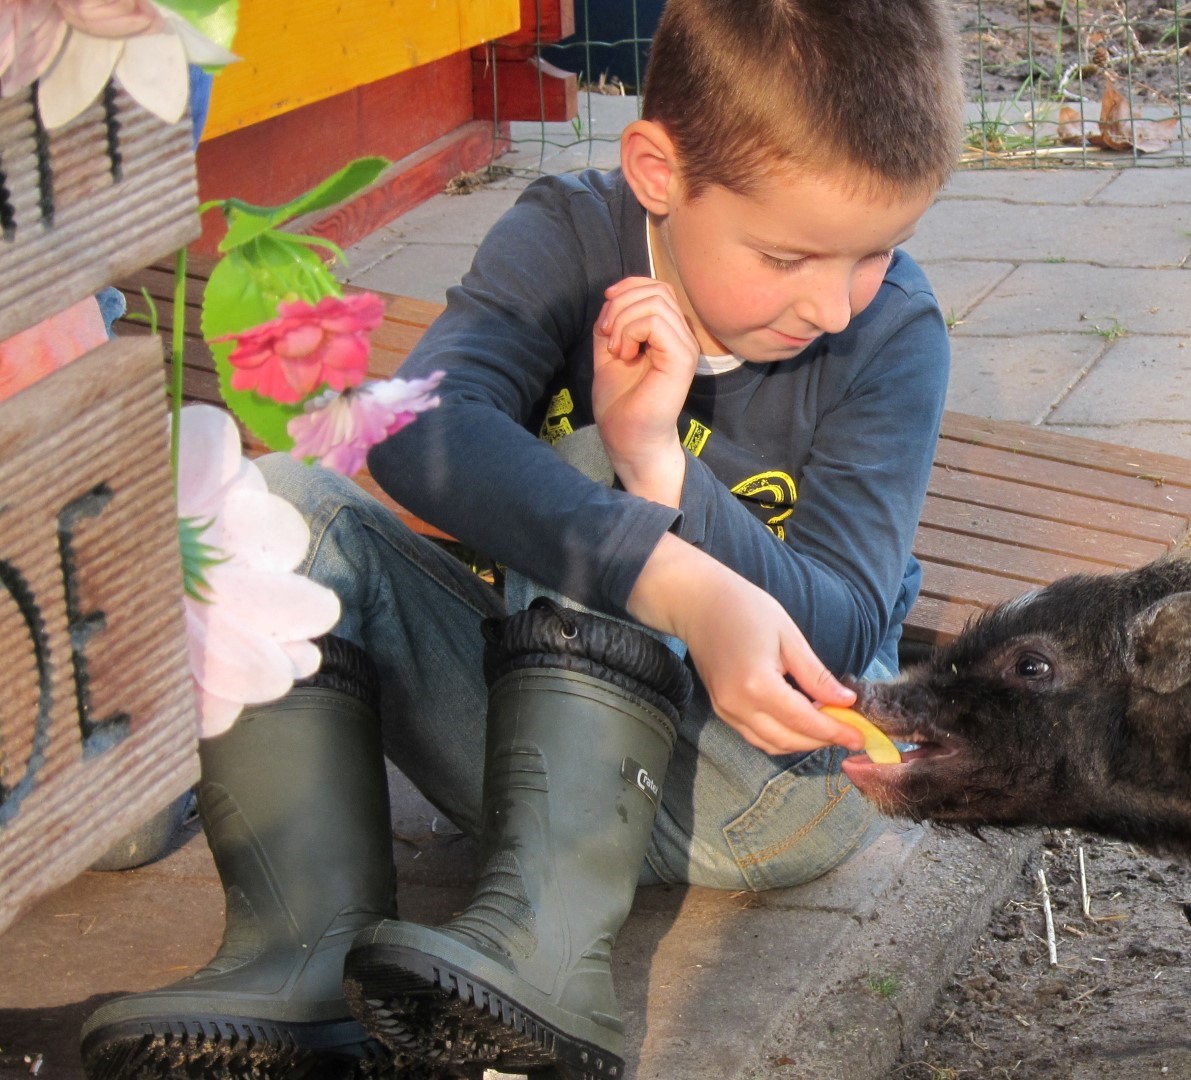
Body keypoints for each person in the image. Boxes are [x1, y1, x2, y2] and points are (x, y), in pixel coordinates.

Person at [77, 0, 966, 1076]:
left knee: (599, 477)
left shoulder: (893, 334)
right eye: (788, 256)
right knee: (276, 503)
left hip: (773, 786)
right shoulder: (567, 235)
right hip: (529, 748)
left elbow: (849, 619)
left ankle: (548, 968)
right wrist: (666, 570)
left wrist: (661, 472)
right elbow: (419, 435)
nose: (834, 301)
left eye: (878, 251)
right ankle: (301, 955)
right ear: (657, 170)